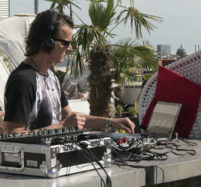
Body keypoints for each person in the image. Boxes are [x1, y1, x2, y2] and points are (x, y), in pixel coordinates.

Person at [3, 10, 135, 134]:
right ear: (47, 43)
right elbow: (12, 133)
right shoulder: (23, 80)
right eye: (65, 43)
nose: (70, 48)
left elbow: (70, 117)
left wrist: (112, 122)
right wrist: (62, 126)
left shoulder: (51, 75)